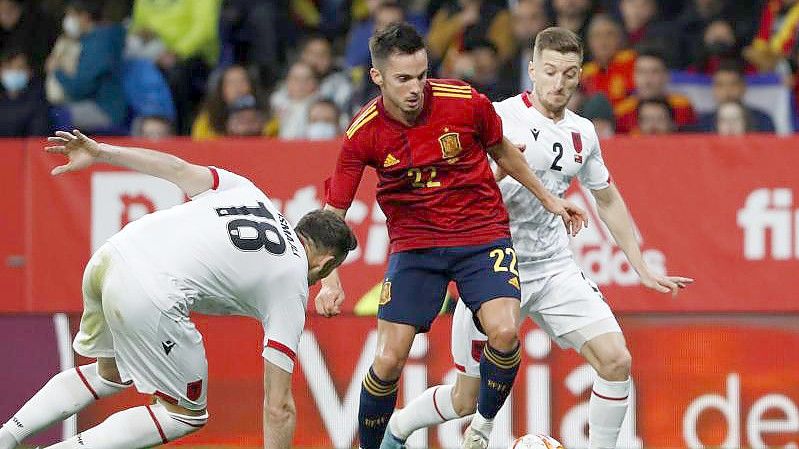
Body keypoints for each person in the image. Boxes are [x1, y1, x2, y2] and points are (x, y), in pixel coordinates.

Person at [381, 27, 692, 449]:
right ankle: (397, 429)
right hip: (489, 269)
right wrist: (501, 171)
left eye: (569, 73)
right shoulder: (494, 117)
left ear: (579, 75)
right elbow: (452, 191)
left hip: (552, 268)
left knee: (617, 360)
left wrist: (640, 265)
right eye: (549, 71)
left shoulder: (583, 132)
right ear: (531, 70)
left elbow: (608, 198)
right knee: (466, 399)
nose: (559, 83)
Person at [318, 22, 587, 449]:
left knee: (503, 332)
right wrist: (329, 278)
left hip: (481, 235)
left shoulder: (464, 101)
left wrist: (550, 201)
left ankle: (481, 427)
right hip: (416, 246)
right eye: (403, 79)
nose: (415, 88)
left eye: (422, 76)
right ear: (377, 77)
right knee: (387, 360)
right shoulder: (363, 132)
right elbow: (334, 212)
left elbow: (503, 150)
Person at [0, 130, 357, 449]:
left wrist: (102, 153)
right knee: (184, 415)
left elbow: (173, 167)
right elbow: (278, 406)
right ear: (325, 264)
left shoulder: (249, 192)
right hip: (150, 292)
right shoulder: (292, 281)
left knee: (111, 372)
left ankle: (7, 435)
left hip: (112, 254)